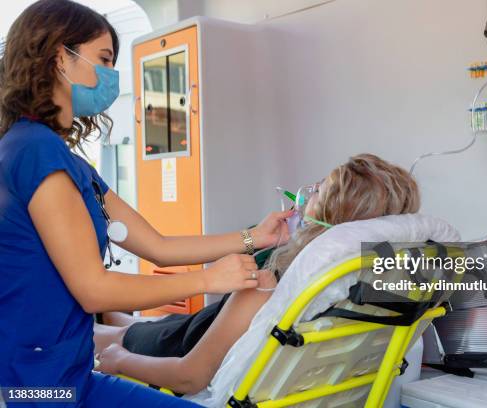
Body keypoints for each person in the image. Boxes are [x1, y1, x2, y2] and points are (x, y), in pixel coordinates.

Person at [0, 1, 291, 407]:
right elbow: (94, 290)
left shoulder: (67, 163)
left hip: (74, 374)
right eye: (103, 59)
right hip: (37, 386)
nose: (110, 75)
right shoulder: (34, 153)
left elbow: (159, 245)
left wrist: (252, 237)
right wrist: (208, 280)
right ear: (60, 58)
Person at [93, 153, 420, 399]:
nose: (306, 194)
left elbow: (189, 376)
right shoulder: (354, 284)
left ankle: (111, 321)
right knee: (146, 324)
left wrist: (120, 361)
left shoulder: (266, 285)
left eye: (319, 191)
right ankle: (116, 318)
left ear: (335, 212)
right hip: (202, 329)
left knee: (114, 334)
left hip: (180, 346)